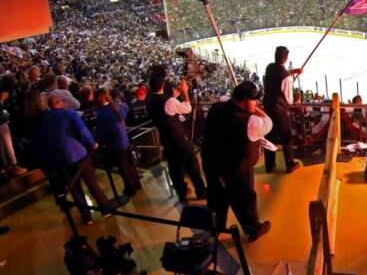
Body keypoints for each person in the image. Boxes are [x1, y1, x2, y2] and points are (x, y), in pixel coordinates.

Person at [202, 81, 274, 241]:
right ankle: (253, 228)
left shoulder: (216, 108)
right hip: (237, 169)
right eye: (254, 100)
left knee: (217, 198)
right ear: (245, 100)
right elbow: (268, 122)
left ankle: (215, 228)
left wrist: (250, 107)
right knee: (244, 199)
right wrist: (255, 110)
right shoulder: (251, 121)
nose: (257, 103)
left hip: (213, 164)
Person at [39, 95, 113, 224]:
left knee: (74, 189)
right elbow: (83, 130)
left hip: (61, 158)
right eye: (62, 100)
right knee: (91, 183)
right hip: (79, 154)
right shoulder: (69, 114)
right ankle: (105, 209)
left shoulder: (45, 119)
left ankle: (86, 217)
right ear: (58, 102)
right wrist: (92, 143)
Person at [147, 72, 206, 205]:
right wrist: (184, 92)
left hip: (166, 140)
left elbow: (165, 108)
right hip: (179, 140)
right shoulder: (169, 102)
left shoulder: (150, 103)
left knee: (174, 167)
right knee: (192, 165)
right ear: (163, 84)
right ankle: (201, 191)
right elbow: (188, 108)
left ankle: (182, 194)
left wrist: (174, 97)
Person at [94, 88, 142, 197]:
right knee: (130, 165)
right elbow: (124, 115)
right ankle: (137, 184)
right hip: (125, 140)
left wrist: (98, 139)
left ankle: (131, 189)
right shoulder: (116, 107)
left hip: (115, 144)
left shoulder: (102, 114)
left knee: (123, 168)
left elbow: (100, 134)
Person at [263, 46, 302, 173]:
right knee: (287, 137)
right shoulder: (286, 77)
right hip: (280, 110)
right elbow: (289, 100)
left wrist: (292, 72)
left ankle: (269, 165)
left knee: (270, 136)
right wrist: (290, 80)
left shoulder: (269, 67)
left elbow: (278, 73)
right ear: (286, 58)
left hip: (268, 108)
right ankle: (290, 164)